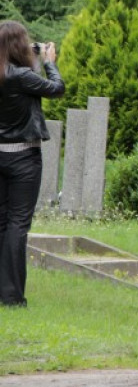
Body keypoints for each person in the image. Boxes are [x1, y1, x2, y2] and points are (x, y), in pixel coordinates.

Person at [0, 21, 64, 307]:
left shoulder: (8, 74)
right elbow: (56, 89)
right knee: (17, 224)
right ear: (17, 45)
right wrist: (50, 62)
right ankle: (12, 296)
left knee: (2, 223)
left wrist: (34, 57)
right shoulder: (22, 76)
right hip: (23, 158)